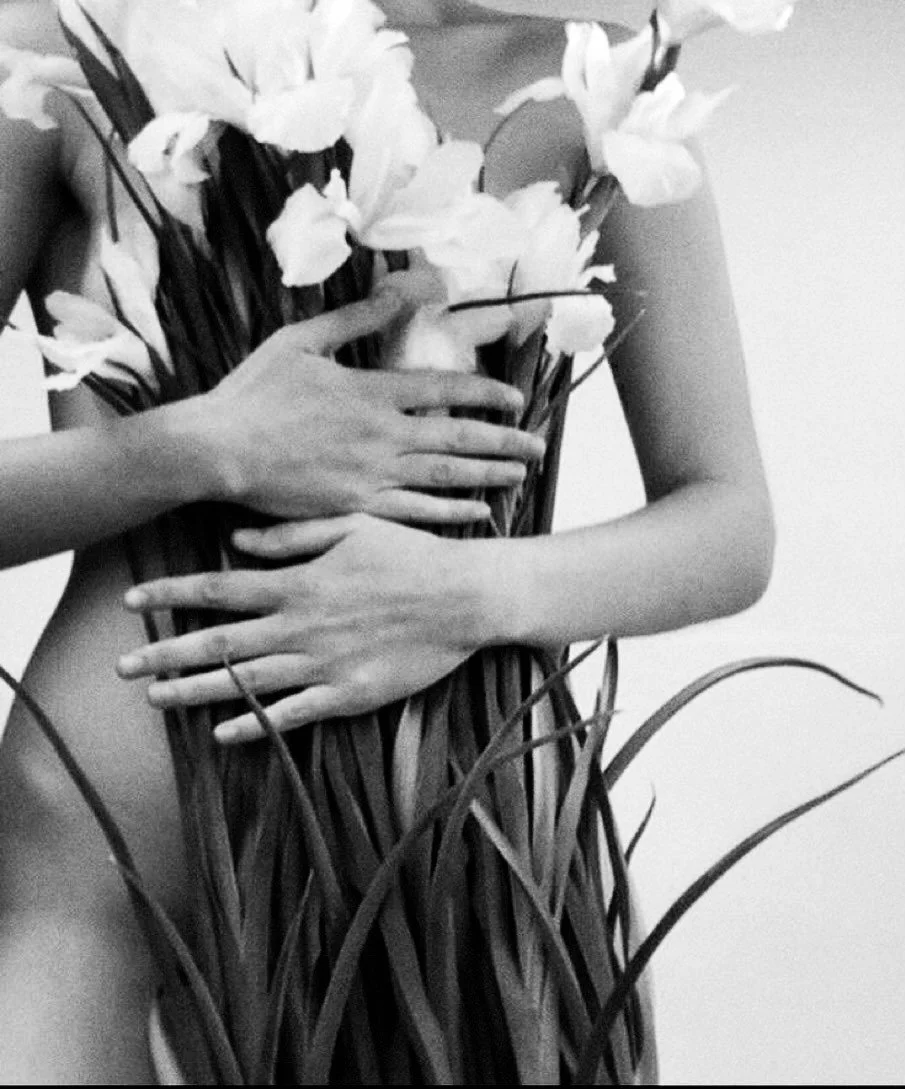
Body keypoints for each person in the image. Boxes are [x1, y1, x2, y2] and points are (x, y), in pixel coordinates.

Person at [0, 0, 775, 1082]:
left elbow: (727, 522)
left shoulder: (586, 83)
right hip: (103, 870)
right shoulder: (75, 52)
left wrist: (461, 594)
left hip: (475, 873)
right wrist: (204, 446)